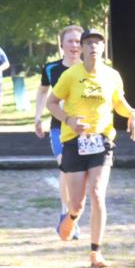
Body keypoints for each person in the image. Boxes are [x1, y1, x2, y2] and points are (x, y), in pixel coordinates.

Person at [46, 27, 135, 268]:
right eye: (88, 43)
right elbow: (52, 102)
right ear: (83, 48)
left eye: (98, 43)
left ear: (103, 47)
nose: (93, 47)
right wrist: (68, 120)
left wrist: (132, 113)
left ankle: (95, 253)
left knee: (97, 194)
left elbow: (118, 101)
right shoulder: (69, 75)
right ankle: (71, 218)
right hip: (74, 142)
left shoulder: (112, 75)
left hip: (102, 141)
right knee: (77, 203)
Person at [35, 25, 83, 239]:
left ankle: (74, 214)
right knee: (65, 167)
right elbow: (43, 91)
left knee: (82, 177)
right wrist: (37, 118)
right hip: (59, 127)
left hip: (85, 129)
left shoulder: (90, 68)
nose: (75, 45)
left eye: (78, 41)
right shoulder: (51, 69)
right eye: (70, 41)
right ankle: (66, 215)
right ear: (62, 45)